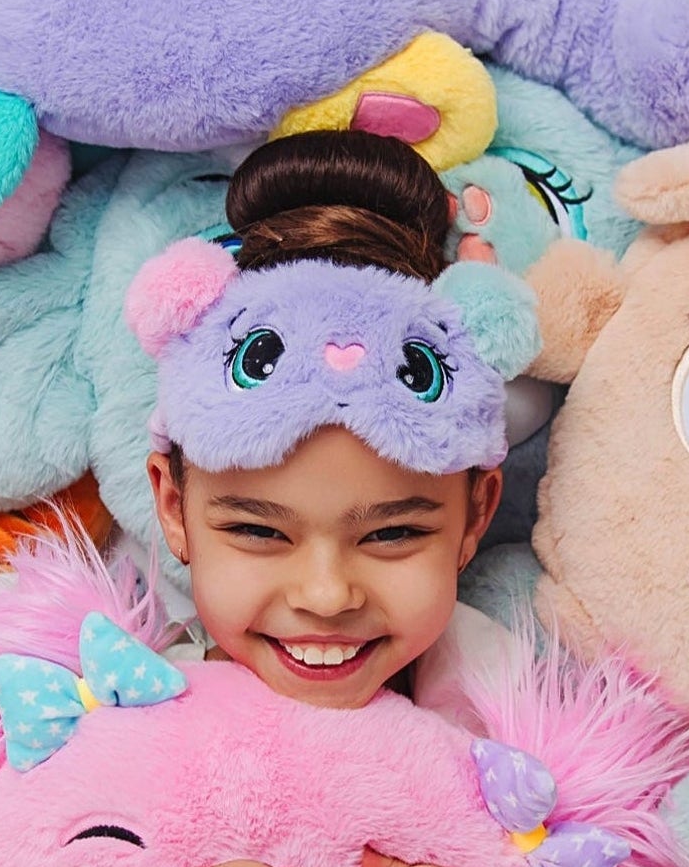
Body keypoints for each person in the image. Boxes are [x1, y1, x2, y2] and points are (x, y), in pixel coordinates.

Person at [138, 130, 526, 711]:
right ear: (174, 506)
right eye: (259, 531)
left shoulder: (509, 716)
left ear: (475, 513)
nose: (325, 597)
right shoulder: (122, 712)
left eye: (394, 534)